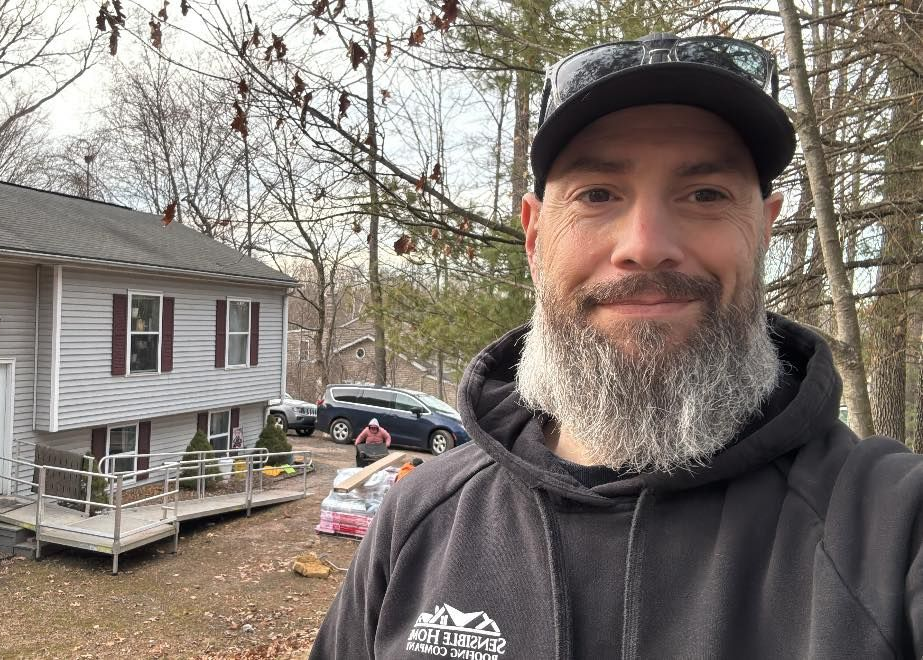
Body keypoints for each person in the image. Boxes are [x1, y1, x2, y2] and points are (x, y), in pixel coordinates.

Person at [311, 32, 923, 658]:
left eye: (705, 195)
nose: (645, 243)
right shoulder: (419, 518)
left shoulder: (893, 530)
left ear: (763, 230)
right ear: (535, 234)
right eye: (598, 194)